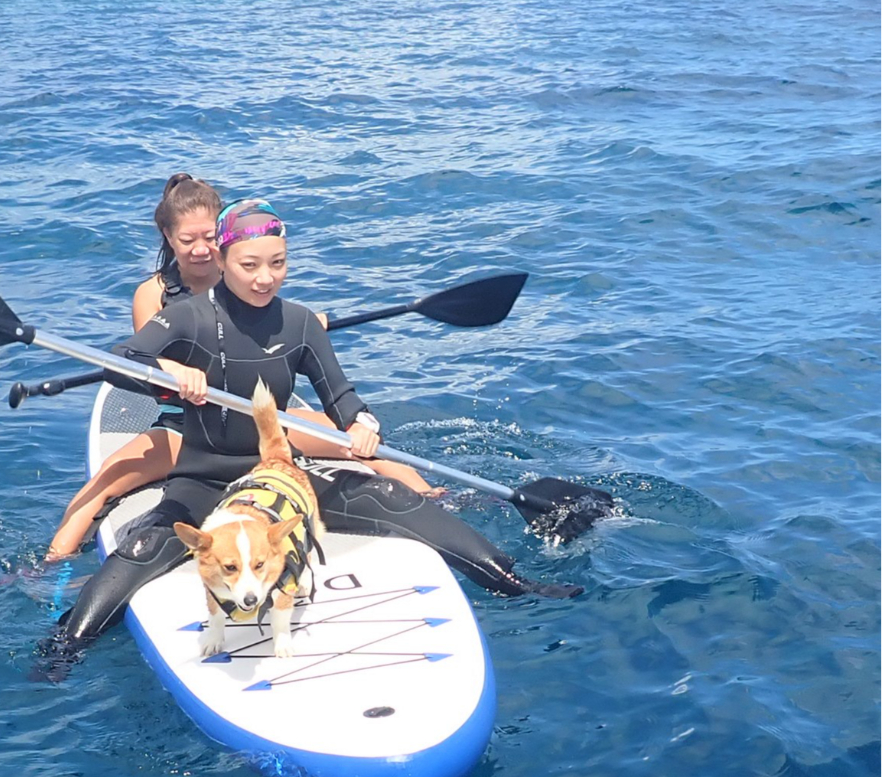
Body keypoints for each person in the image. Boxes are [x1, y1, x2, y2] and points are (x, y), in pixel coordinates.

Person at [55, 198, 585, 647]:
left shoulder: (301, 322)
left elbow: (341, 395)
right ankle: (63, 646)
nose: (266, 278)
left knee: (396, 498)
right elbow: (121, 361)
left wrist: (362, 422)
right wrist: (166, 370)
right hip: (206, 479)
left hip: (281, 472)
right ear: (221, 258)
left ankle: (516, 582)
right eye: (250, 265)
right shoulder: (190, 315)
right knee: (144, 548)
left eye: (278, 263)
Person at [47, 175, 436, 559]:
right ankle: (53, 564)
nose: (200, 249)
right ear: (168, 236)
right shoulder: (153, 295)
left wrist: (301, 330)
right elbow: (143, 368)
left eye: (209, 238)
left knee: (363, 445)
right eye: (187, 240)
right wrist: (172, 370)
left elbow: (276, 332)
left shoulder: (247, 272)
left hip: (263, 419)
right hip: (189, 430)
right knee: (104, 483)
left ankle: (438, 502)